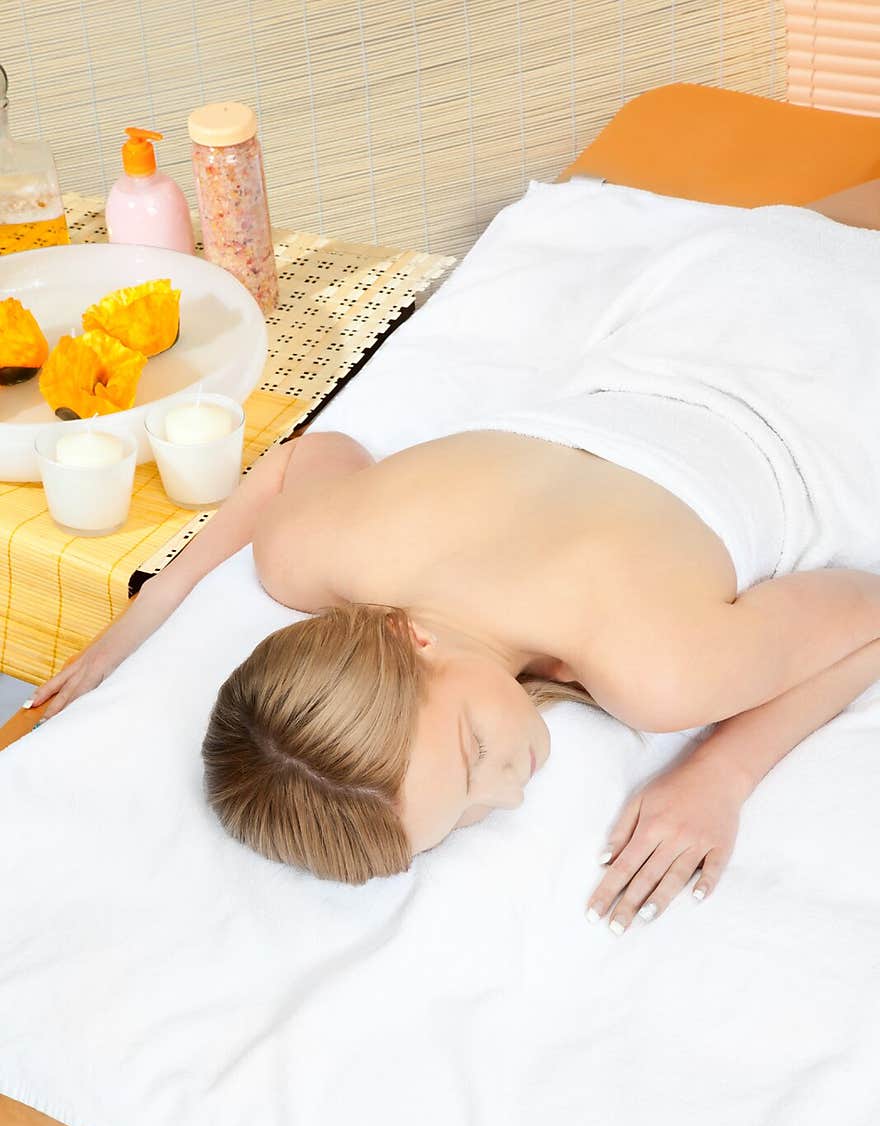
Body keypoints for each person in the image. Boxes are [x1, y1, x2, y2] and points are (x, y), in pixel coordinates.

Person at [27, 177, 880, 926]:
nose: (510, 789)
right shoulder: (315, 551)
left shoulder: (660, 674)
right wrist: (146, 615)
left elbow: (868, 615)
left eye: (474, 753)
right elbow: (296, 460)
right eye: (473, 813)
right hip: (714, 279)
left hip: (843, 354)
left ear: (414, 644)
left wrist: (721, 773)